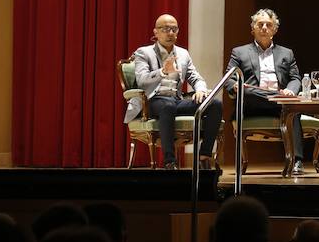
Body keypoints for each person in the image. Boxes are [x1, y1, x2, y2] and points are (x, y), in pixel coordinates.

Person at [128, 14, 222, 170]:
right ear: (156, 32)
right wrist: (163, 71)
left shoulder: (183, 54)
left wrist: (200, 89)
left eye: (173, 29)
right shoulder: (144, 53)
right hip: (152, 101)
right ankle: (169, 161)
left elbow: (196, 78)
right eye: (165, 29)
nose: (170, 33)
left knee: (214, 104)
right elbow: (142, 80)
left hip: (176, 100)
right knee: (167, 106)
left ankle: (204, 155)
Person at [225, 9, 306, 175]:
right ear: (252, 28)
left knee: (294, 109)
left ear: (275, 30)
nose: (264, 28)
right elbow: (229, 79)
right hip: (252, 103)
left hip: (281, 103)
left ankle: (297, 161)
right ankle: (274, 96)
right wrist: (234, 86)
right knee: (246, 90)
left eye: (268, 25)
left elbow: (295, 78)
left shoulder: (286, 53)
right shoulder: (239, 52)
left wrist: (290, 91)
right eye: (259, 24)